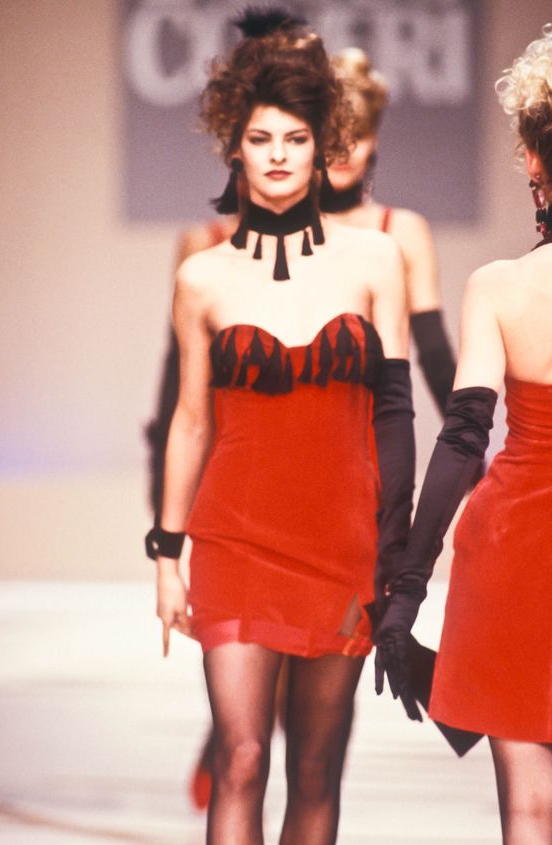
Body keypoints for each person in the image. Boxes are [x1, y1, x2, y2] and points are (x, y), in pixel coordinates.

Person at [145, 9, 414, 845]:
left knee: (315, 769)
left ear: (321, 146)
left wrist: (395, 550)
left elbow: (395, 415)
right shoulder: (202, 276)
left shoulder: (376, 261)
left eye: (295, 139)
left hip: (340, 542)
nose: (277, 155)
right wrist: (166, 554)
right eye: (260, 138)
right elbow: (191, 420)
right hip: (233, 541)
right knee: (240, 756)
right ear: (234, 145)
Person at [374, 24, 552, 845]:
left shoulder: (501, 287)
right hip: (511, 556)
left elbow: (461, 439)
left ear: (532, 161)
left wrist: (405, 591)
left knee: (528, 808)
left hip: (513, 554)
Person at [326, 47, 457, 420]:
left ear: (375, 140)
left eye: (357, 134)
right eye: (330, 135)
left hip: (375, 431)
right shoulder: (281, 230)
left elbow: (434, 354)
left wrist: (467, 444)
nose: (343, 150)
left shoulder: (402, 230)